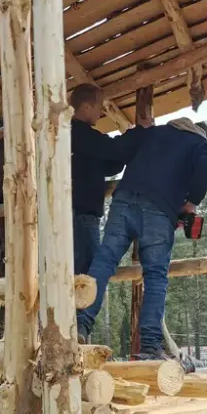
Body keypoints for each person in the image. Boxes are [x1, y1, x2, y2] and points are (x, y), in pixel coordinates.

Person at [77, 117, 207, 357]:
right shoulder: (200, 145)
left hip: (123, 200)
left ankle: (81, 323)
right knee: (155, 276)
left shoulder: (154, 132)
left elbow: (123, 150)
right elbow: (206, 164)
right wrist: (191, 202)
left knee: (104, 261)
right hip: (160, 210)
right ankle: (150, 346)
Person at [69, 84, 149, 274]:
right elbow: (114, 150)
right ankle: (81, 306)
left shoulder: (78, 138)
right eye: (99, 107)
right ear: (86, 107)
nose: (101, 112)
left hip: (80, 214)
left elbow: (110, 162)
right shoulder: (78, 133)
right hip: (80, 215)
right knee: (87, 276)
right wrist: (139, 132)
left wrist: (123, 152)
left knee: (85, 273)